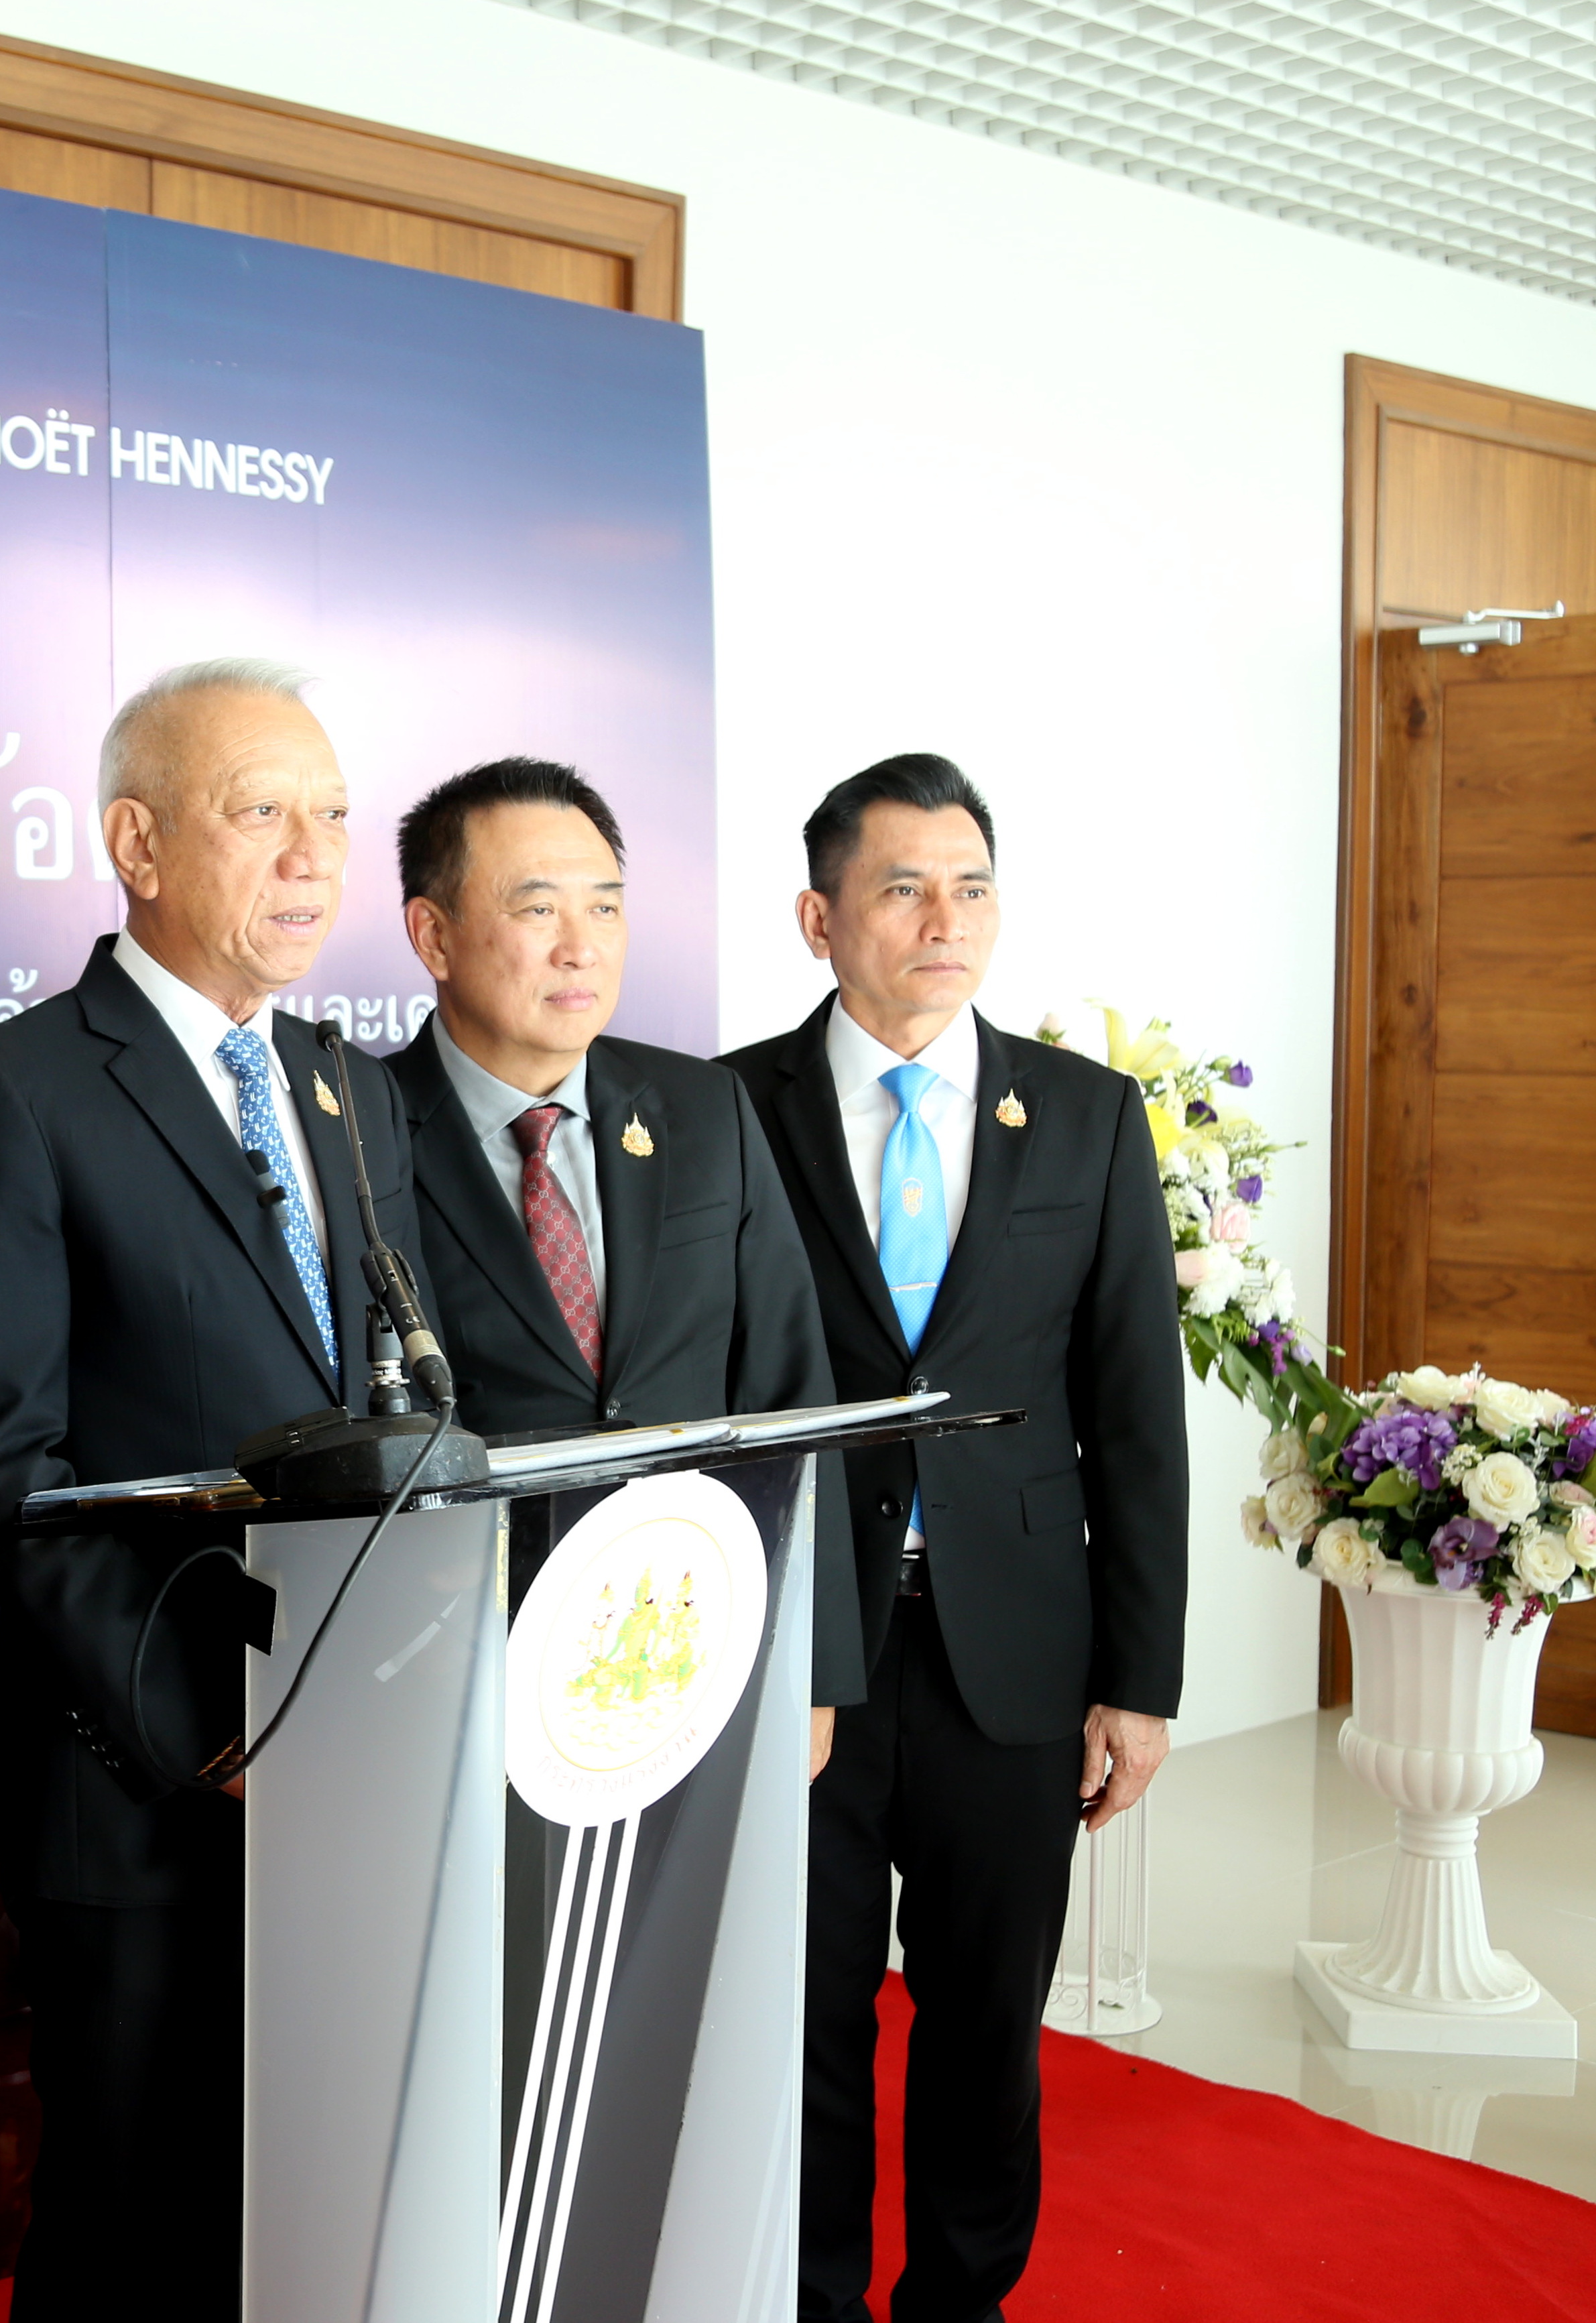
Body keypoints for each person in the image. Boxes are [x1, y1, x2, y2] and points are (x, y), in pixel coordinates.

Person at [0, 657, 433, 2323]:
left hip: (356, 1763)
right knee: (134, 2230)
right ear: (136, 843)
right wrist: (220, 1731)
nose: (312, 855)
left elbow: (402, 1408)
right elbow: (7, 1471)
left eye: (331, 815)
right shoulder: (19, 1090)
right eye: (260, 811)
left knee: (310, 2216)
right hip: (144, 1781)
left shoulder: (350, 1087)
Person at [717, 754, 1185, 2323]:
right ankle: (807, 2299)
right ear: (819, 918)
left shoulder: (1085, 1116)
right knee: (803, 2015)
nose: (945, 920)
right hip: (802, 1655)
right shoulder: (725, 1111)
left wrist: (1141, 1678)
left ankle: (962, 2304)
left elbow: (1135, 1412)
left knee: (988, 2021)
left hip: (1018, 1647)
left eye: (971, 887)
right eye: (904, 888)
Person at [386, 758, 847, 1759]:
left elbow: (791, 1396)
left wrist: (812, 1668)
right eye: (537, 909)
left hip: (697, 1650)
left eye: (604, 907)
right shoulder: (360, 1134)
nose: (580, 946)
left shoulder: (704, 1108)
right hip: (457, 1680)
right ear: (433, 935)